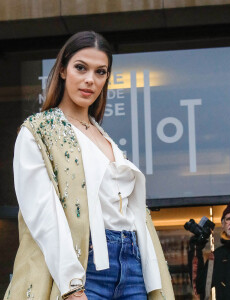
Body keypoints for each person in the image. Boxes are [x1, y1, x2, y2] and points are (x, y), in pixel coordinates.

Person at [4, 31, 174, 300]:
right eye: (80, 68)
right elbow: (43, 215)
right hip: (86, 269)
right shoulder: (38, 131)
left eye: (100, 72)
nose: (89, 80)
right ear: (62, 70)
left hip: (132, 266)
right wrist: (72, 285)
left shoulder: (103, 136)